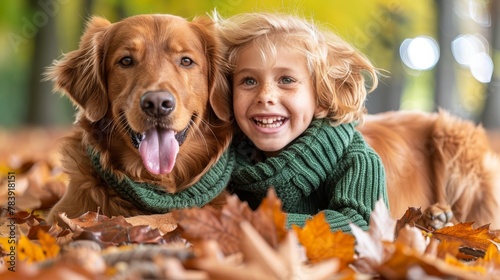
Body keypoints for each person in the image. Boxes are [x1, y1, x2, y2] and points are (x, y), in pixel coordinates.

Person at [216, 12, 389, 232]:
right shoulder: (225, 154)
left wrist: (262, 225)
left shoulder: (357, 160)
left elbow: (362, 226)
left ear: (321, 98)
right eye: (248, 81)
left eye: (286, 80)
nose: (265, 95)